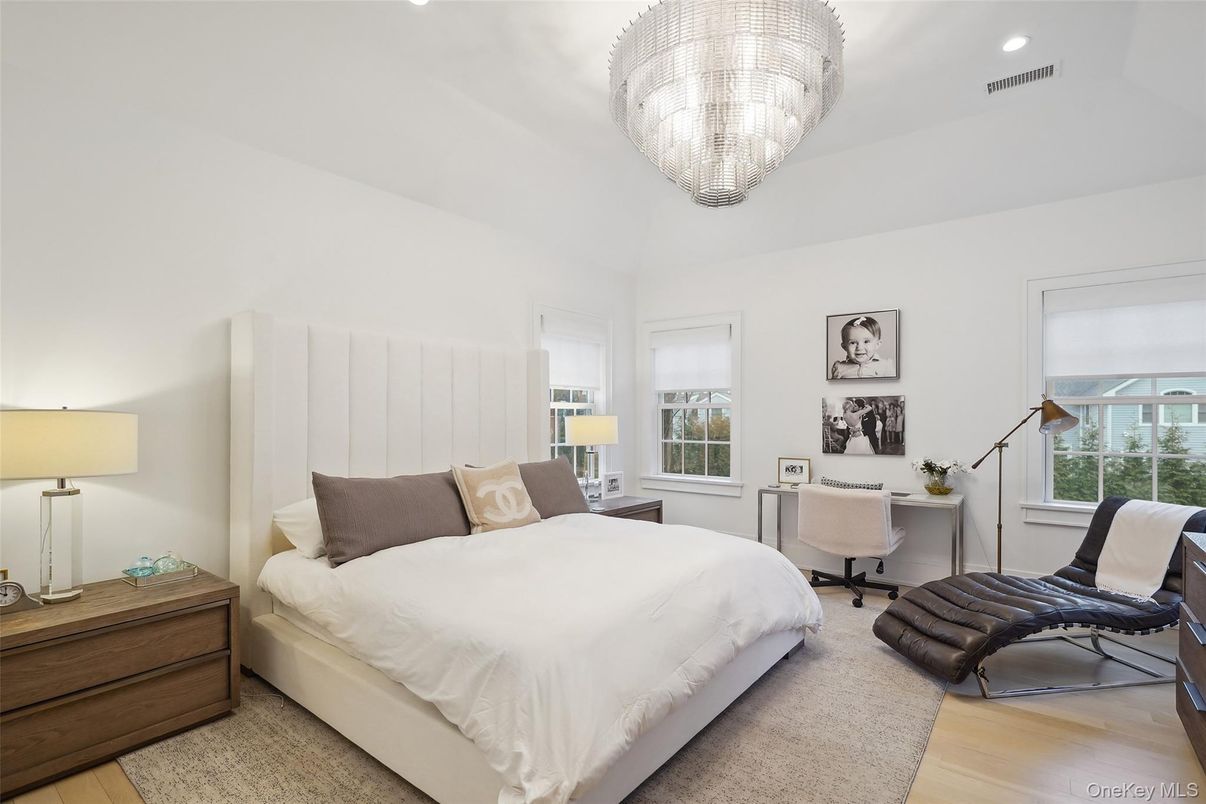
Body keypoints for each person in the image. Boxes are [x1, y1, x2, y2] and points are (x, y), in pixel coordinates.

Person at [830, 315, 896, 379]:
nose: (859, 348)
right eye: (853, 343)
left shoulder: (885, 366)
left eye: (866, 341)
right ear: (844, 347)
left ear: (877, 344)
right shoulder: (839, 368)